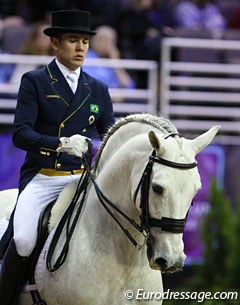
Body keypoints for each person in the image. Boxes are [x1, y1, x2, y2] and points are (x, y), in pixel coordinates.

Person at [0, 10, 115, 305]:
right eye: (73, 41)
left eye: (85, 42)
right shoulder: (36, 81)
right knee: (23, 240)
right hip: (43, 176)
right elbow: (21, 134)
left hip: (80, 179)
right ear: (55, 43)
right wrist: (60, 143)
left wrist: (97, 148)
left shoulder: (98, 89)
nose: (80, 48)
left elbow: (109, 135)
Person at [84, 25, 136, 90]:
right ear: (95, 41)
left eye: (111, 41)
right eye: (104, 40)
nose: (107, 44)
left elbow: (129, 87)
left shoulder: (113, 61)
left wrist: (116, 62)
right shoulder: (86, 57)